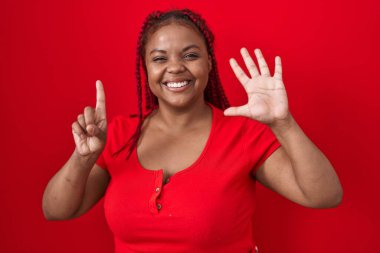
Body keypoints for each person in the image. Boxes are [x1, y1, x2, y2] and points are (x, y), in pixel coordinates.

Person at [42, 9, 343, 253]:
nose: (175, 67)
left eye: (190, 55)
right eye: (159, 58)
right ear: (145, 70)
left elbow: (324, 195)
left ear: (209, 63)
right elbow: (56, 210)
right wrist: (82, 159)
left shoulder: (242, 134)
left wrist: (283, 124)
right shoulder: (119, 135)